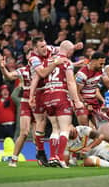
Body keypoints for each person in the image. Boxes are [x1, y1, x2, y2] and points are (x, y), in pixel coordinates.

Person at [42, 40, 83, 168]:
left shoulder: (48, 61)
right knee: (64, 129)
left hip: (47, 95)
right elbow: (71, 83)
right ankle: (60, 158)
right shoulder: (67, 62)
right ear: (69, 51)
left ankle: (52, 157)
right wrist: (77, 101)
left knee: (55, 128)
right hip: (61, 95)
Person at [28, 36, 61, 167]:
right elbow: (41, 74)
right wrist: (54, 63)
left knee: (54, 122)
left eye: (45, 45)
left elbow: (63, 50)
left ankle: (51, 154)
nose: (45, 48)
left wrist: (74, 48)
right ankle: (42, 152)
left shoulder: (49, 49)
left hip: (51, 90)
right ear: (35, 48)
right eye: (42, 47)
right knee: (42, 122)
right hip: (40, 92)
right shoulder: (33, 59)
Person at [0, 51, 35, 167]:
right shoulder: (23, 70)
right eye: (29, 55)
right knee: (24, 133)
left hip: (38, 103)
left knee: (37, 135)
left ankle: (41, 156)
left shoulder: (42, 70)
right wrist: (2, 67)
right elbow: (8, 76)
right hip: (25, 102)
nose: (31, 57)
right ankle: (13, 159)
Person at [75, 52, 109, 127]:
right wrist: (85, 104)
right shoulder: (82, 74)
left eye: (103, 64)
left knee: (101, 128)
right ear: (93, 61)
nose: (102, 66)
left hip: (94, 102)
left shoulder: (100, 70)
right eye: (101, 64)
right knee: (85, 129)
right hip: (82, 102)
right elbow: (76, 93)